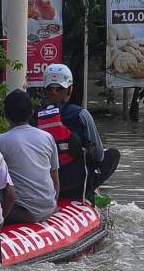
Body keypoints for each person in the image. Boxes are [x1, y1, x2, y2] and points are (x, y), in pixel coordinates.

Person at [33, 63, 120, 200]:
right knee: (114, 154)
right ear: (70, 90)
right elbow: (98, 155)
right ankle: (89, 192)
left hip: (45, 185)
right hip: (75, 186)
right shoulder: (81, 114)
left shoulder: (34, 117)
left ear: (45, 89)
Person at [0, 89, 59, 223]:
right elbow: (55, 180)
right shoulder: (47, 137)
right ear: (32, 113)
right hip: (49, 208)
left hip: (22, 212)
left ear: (5, 115)